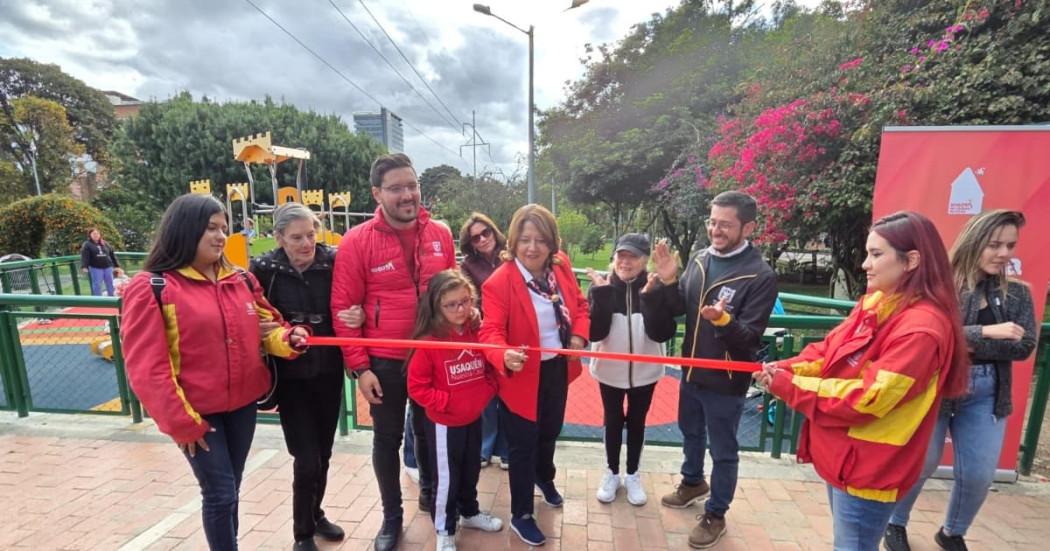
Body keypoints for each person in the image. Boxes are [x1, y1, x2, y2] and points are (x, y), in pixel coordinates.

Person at [755, 211, 970, 551]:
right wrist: (788, 367)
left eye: (876, 254)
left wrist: (787, 384)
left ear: (912, 260)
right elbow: (829, 352)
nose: (864, 264)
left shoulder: (922, 329)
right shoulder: (878, 302)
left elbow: (868, 396)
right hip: (848, 455)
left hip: (870, 467)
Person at [121, 194, 309, 551]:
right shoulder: (153, 288)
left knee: (230, 489)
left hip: (241, 407)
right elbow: (147, 367)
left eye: (224, 228)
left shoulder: (240, 280)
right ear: (185, 229)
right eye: (211, 228)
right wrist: (182, 423)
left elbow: (268, 329)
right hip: (196, 414)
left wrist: (291, 339)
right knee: (220, 493)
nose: (221, 236)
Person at [884, 210, 1037, 551]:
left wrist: (963, 340)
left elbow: (1024, 346)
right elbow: (926, 335)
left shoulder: (1018, 294)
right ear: (974, 241)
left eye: (1010, 245)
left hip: (988, 391)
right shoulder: (939, 286)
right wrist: (987, 332)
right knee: (922, 462)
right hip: (936, 387)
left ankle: (952, 532)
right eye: (995, 244)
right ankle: (895, 522)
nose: (1004, 253)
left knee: (980, 474)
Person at [330, 153, 456, 551]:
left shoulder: (440, 234)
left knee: (430, 433)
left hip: (432, 356)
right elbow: (342, 310)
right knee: (386, 440)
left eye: (412, 185)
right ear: (377, 193)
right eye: (396, 188)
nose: (407, 195)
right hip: (384, 360)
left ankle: (433, 500)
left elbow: (456, 297)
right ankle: (391, 518)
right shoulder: (356, 241)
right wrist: (359, 368)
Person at [646, 190, 778, 549]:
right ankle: (692, 481)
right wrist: (671, 280)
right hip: (690, 371)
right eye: (712, 222)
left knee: (723, 451)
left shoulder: (759, 275)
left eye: (725, 225)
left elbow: (748, 341)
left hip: (727, 381)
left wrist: (722, 320)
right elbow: (680, 311)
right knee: (690, 432)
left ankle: (716, 512)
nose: (715, 230)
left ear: (748, 227)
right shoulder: (701, 258)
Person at [478, 203, 590, 547]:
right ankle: (521, 514)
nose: (532, 247)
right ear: (513, 241)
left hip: (557, 367)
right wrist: (503, 355)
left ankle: (545, 477)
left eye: (540, 239)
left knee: (550, 431)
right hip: (521, 375)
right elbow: (490, 332)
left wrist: (578, 335)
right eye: (525, 239)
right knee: (522, 446)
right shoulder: (501, 282)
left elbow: (581, 306)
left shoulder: (561, 267)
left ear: (551, 242)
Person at [250, 203, 347, 551]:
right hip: (291, 375)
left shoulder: (333, 260)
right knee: (305, 458)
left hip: (329, 370)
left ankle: (316, 513)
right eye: (296, 238)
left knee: (324, 452)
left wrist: (356, 312)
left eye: (311, 234)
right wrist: (260, 326)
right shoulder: (263, 268)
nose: (307, 243)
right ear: (278, 238)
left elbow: (351, 297)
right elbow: (249, 310)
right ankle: (302, 533)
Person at [407, 270, 505, 551]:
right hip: (443, 425)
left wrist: (483, 394)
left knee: (471, 469)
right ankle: (445, 529)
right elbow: (417, 388)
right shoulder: (428, 342)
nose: (461, 309)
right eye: (451, 304)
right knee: (446, 479)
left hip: (473, 418)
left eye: (465, 301)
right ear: (437, 306)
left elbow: (489, 368)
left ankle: (470, 512)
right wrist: (450, 403)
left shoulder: (477, 331)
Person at [586, 233, 675, 506]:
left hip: (646, 372)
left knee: (637, 421)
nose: (625, 262)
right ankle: (612, 472)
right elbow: (595, 332)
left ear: (645, 260)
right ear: (614, 258)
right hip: (609, 371)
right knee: (612, 420)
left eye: (633, 256)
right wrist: (601, 296)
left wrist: (649, 299)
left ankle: (633, 474)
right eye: (621, 255)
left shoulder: (655, 286)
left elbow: (661, 334)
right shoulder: (601, 285)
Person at [458, 212, 510, 470]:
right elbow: (469, 297)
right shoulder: (468, 266)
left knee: (511, 392)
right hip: (487, 333)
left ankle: (507, 449)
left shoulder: (511, 254)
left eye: (485, 233)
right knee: (488, 392)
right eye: (475, 238)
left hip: (515, 331)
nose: (482, 239)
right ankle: (486, 446)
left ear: (493, 230)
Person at [80, 227, 122, 296]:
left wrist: (117, 266)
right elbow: (85, 256)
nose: (96, 235)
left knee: (110, 283)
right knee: (97, 284)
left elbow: (112, 255)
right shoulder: (87, 244)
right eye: (94, 234)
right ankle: (98, 301)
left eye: (97, 233)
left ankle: (111, 298)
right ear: (90, 235)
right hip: (95, 267)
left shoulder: (105, 243)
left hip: (108, 267)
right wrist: (84, 266)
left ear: (99, 235)